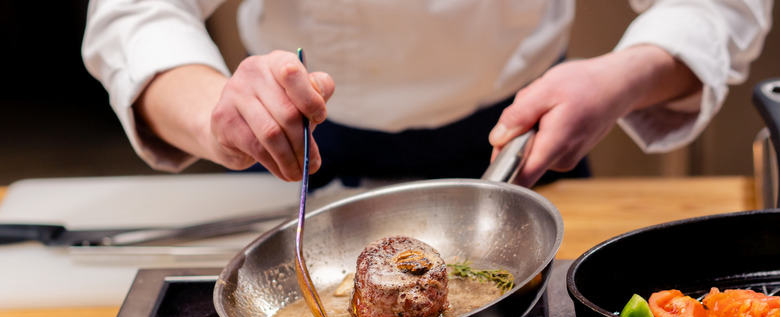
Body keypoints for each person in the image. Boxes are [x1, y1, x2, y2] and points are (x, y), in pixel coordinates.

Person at [82, 1, 772, 189]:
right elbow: (135, 13)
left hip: (529, 148)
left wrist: (621, 77)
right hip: (307, 168)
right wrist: (217, 117)